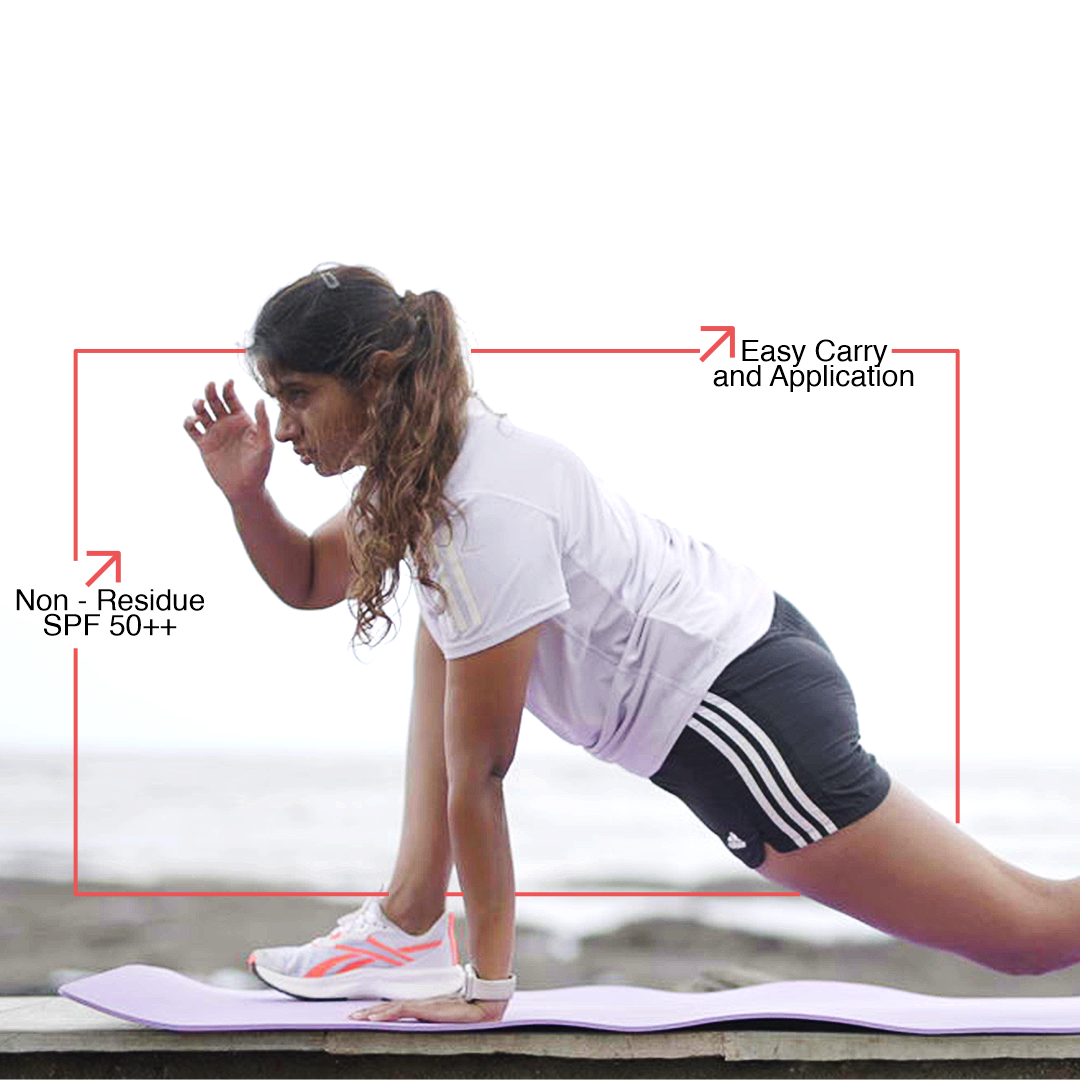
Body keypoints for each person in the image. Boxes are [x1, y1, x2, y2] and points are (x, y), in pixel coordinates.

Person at [184, 264, 1078, 1025]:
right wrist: (246, 496)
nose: (286, 426)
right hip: (747, 654)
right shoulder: (423, 477)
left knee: (1027, 937)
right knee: (439, 610)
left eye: (298, 397)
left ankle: (419, 929)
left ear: (376, 376)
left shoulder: (481, 509)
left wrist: (487, 987)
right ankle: (410, 919)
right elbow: (307, 578)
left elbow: (483, 774)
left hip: (738, 715)